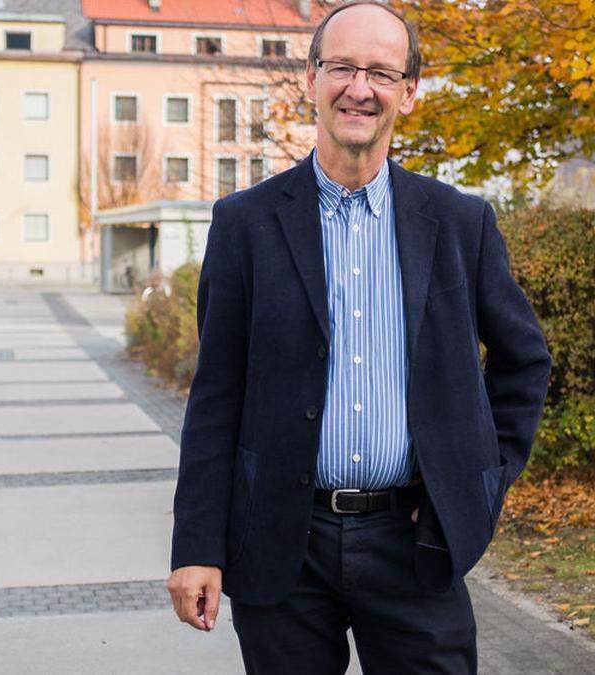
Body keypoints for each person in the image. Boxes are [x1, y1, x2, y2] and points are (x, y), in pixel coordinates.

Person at [166, 1, 552, 672]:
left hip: (414, 546)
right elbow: (216, 396)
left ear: (409, 90)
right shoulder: (245, 224)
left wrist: (477, 484)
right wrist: (196, 543)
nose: (359, 87)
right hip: (282, 544)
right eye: (342, 66)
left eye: (380, 71)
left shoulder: (460, 224)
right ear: (312, 77)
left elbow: (525, 362)